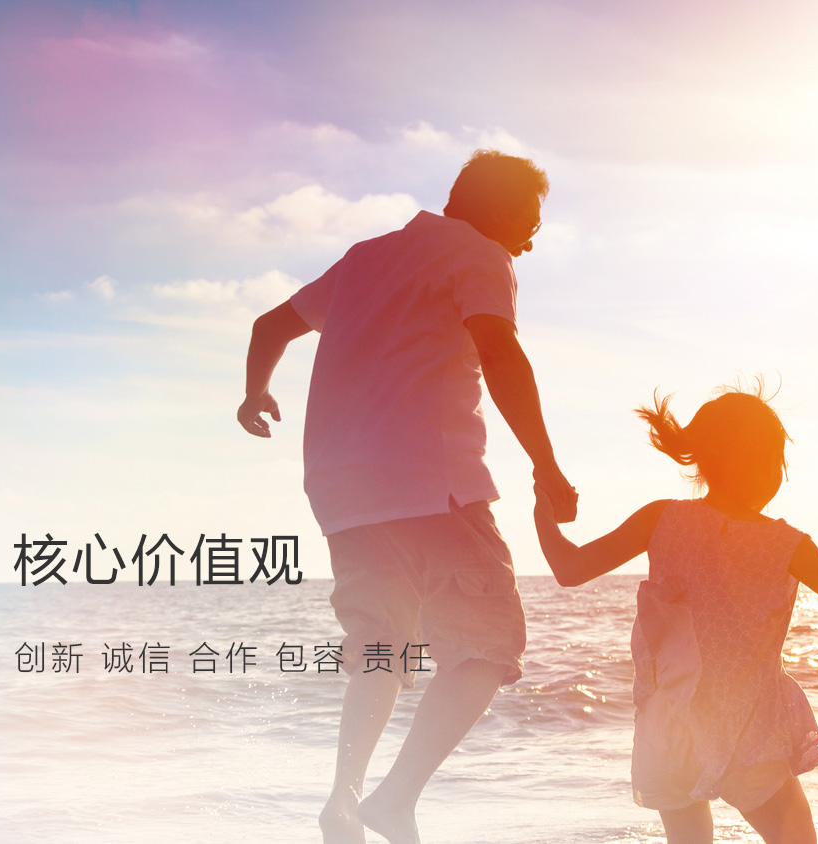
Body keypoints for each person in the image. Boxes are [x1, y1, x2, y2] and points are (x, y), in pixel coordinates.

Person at [236, 150, 580, 844]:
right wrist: (546, 465)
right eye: (530, 221)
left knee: (380, 646)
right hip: (429, 481)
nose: (530, 240)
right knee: (490, 644)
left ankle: (343, 800)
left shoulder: (365, 257)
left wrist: (255, 393)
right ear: (498, 206)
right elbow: (500, 352)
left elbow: (268, 327)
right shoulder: (479, 253)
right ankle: (394, 800)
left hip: (341, 490)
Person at [531, 385, 818, 844]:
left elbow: (569, 569)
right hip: (744, 725)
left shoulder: (661, 519)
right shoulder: (786, 544)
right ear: (765, 463)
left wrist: (542, 509)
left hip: (670, 728)